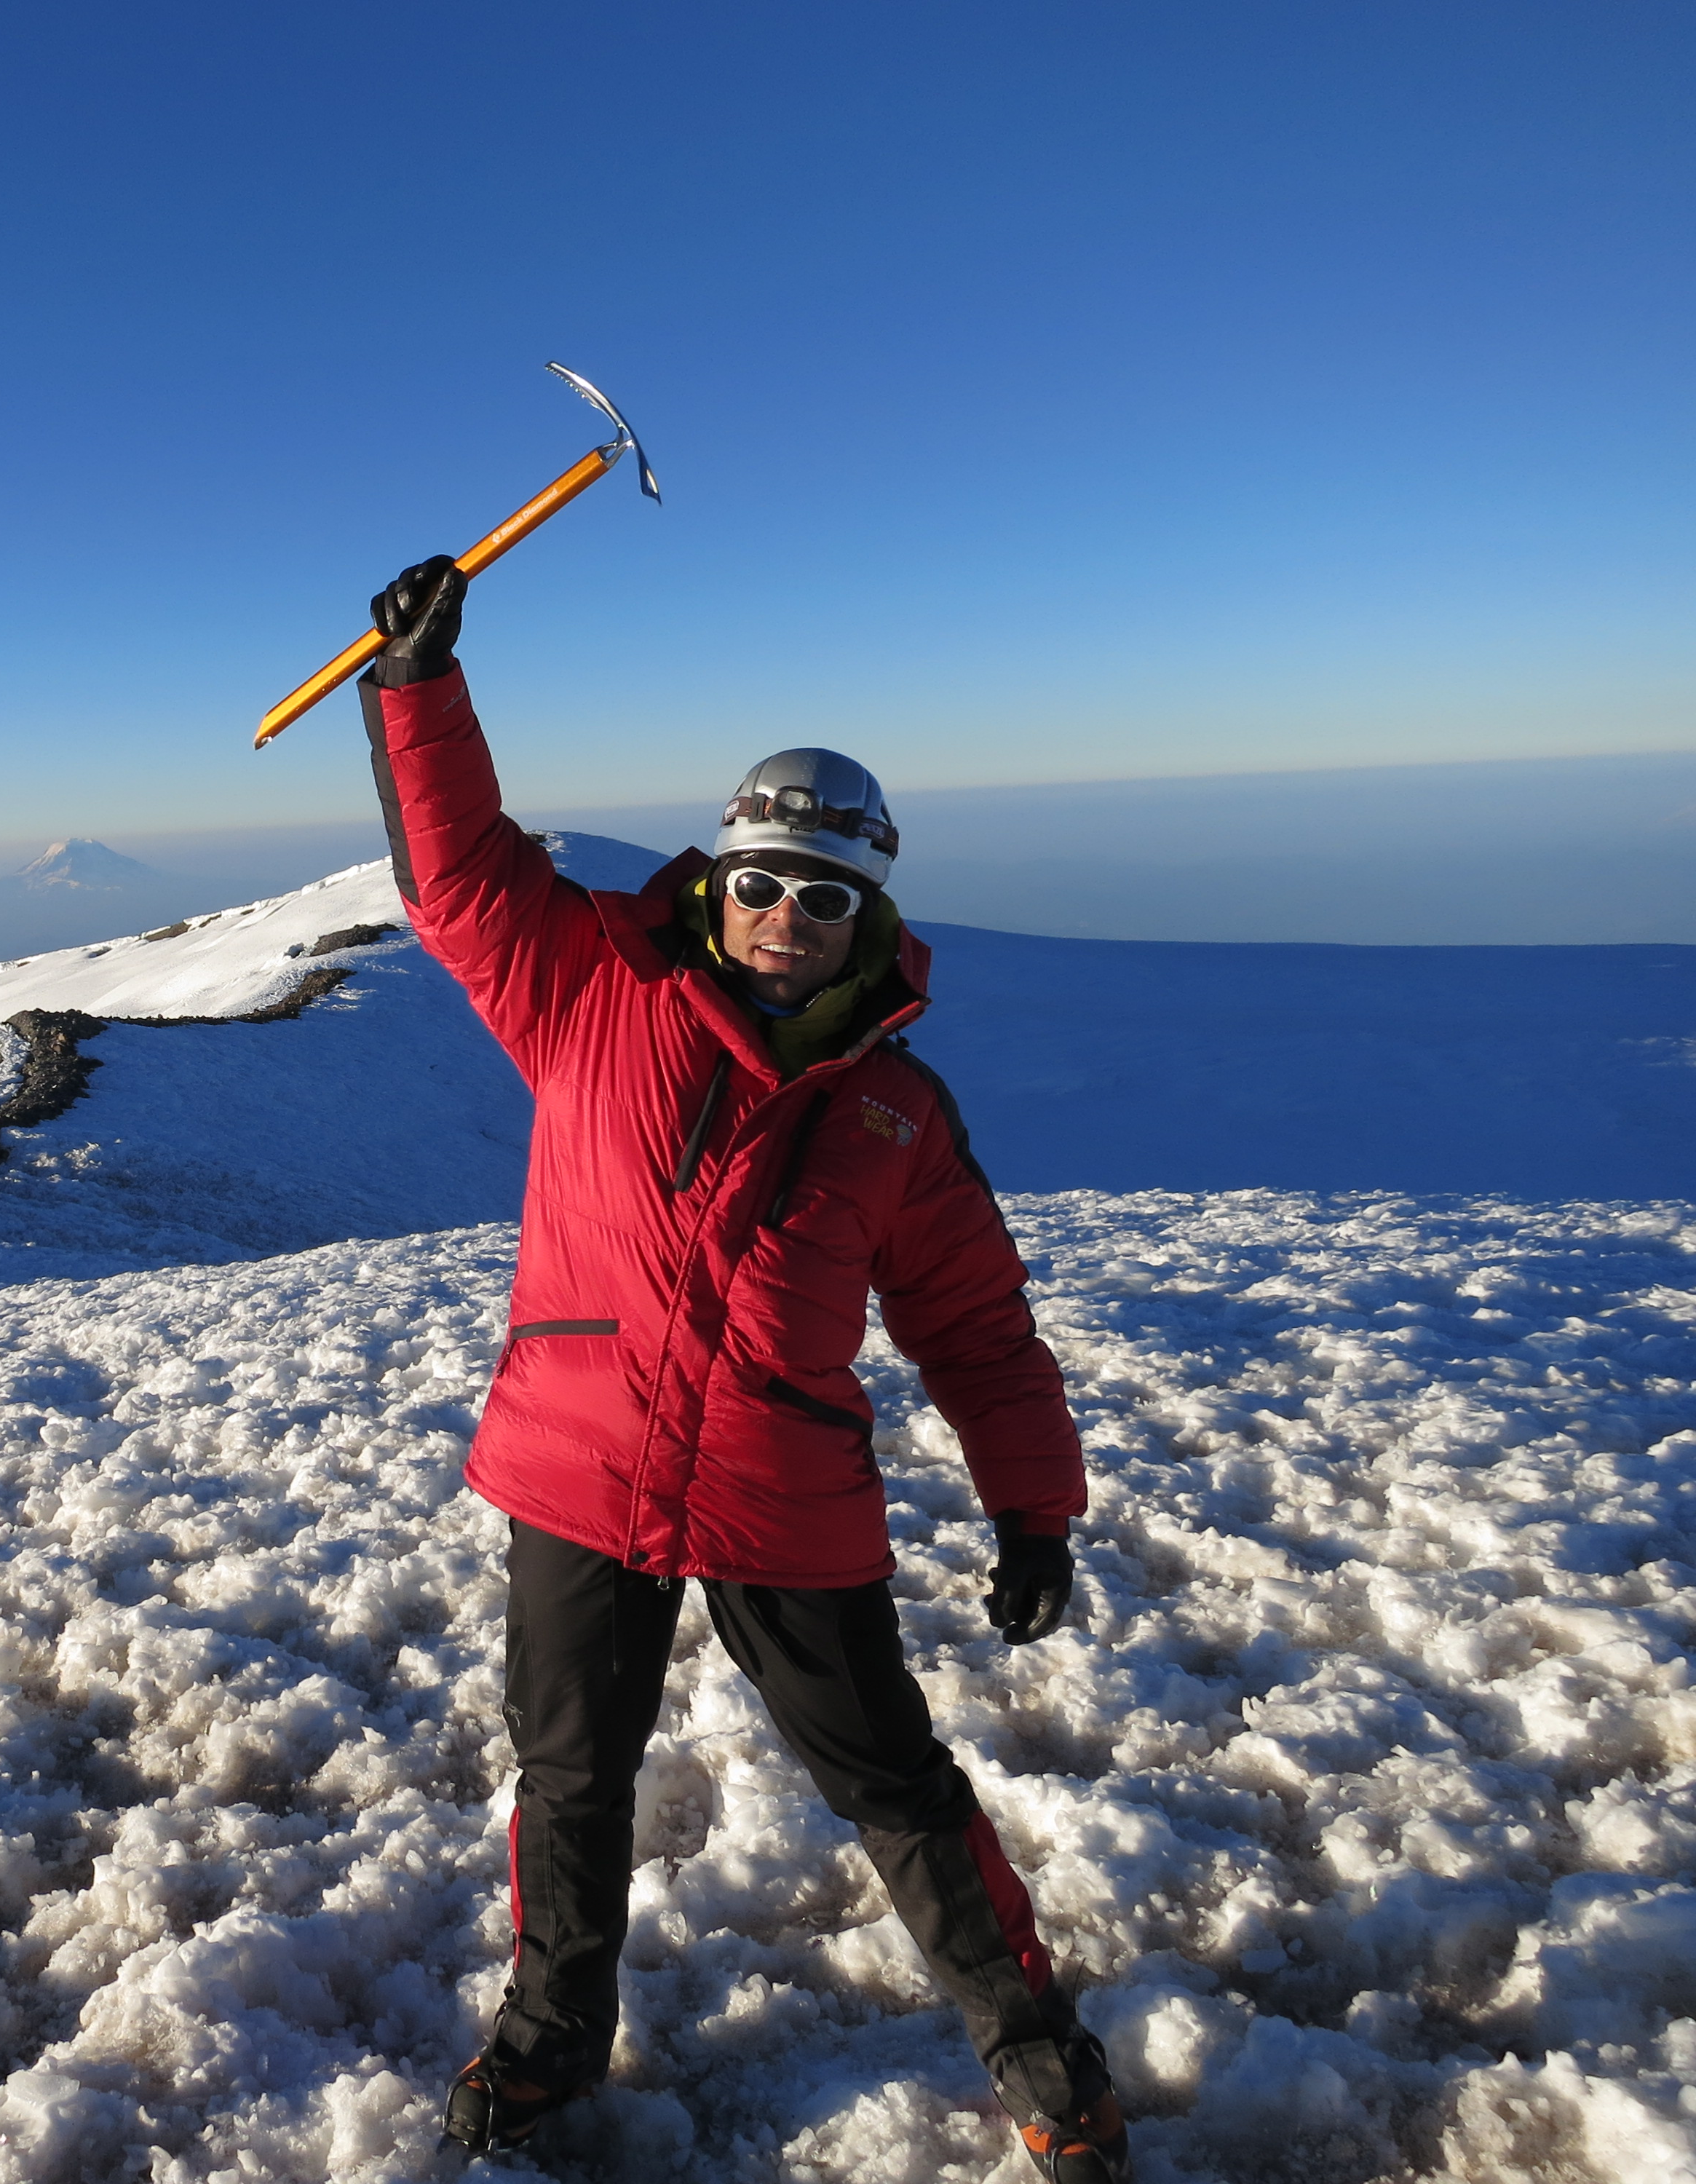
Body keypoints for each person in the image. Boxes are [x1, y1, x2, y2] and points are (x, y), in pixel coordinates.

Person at [354, 557, 1130, 2184]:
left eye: (823, 895)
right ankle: (550, 2041)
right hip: (575, 1471)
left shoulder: (896, 1117)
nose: (786, 918)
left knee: (893, 1783)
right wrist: (416, 688)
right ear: (712, 882)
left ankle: (1033, 2047)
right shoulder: (586, 990)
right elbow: (461, 880)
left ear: (871, 916)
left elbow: (975, 1328)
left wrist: (1032, 1513)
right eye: (761, 882)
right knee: (571, 1777)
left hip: (784, 1491)